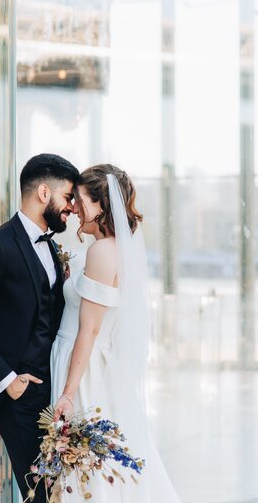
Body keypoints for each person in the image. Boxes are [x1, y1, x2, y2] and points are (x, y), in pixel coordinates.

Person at [0, 153, 79, 503]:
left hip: (51, 393)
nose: (72, 208)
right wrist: (9, 382)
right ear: (43, 193)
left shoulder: (50, 246)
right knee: (41, 494)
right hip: (19, 395)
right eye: (68, 197)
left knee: (57, 494)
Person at [51, 164, 181, 502]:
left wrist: (67, 393)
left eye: (80, 200)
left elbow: (90, 329)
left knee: (87, 470)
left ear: (102, 205)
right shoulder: (107, 249)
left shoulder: (101, 251)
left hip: (83, 369)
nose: (74, 208)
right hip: (88, 363)